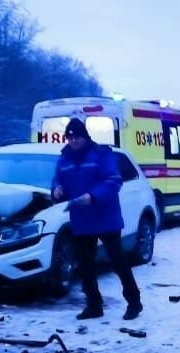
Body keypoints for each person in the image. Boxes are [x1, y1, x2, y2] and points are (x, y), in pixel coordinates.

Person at [51, 118, 143, 320]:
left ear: (85, 136)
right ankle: (94, 304)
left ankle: (134, 301)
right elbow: (58, 179)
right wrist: (56, 189)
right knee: (85, 265)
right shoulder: (64, 159)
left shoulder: (101, 154)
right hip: (81, 219)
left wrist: (93, 196)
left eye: (77, 136)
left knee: (118, 261)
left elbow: (113, 180)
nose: (73, 140)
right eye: (70, 136)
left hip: (105, 217)